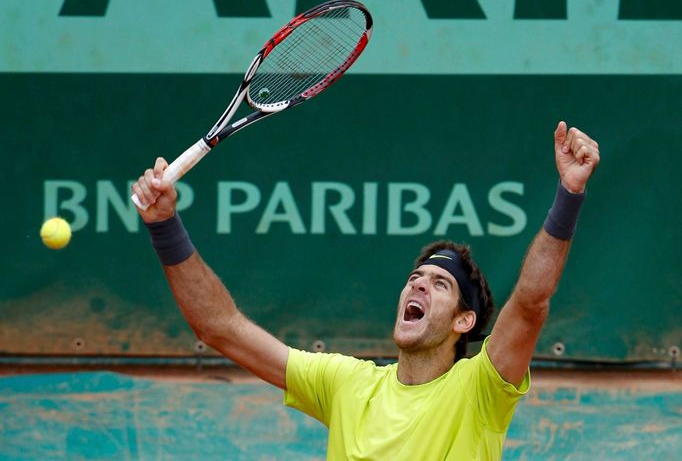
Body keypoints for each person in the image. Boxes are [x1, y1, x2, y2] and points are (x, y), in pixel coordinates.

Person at [132, 121, 600, 460]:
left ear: (464, 321)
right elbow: (220, 328)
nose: (418, 284)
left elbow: (532, 302)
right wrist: (164, 226)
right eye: (415, 278)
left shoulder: (481, 389)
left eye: (440, 284)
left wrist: (568, 195)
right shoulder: (348, 385)